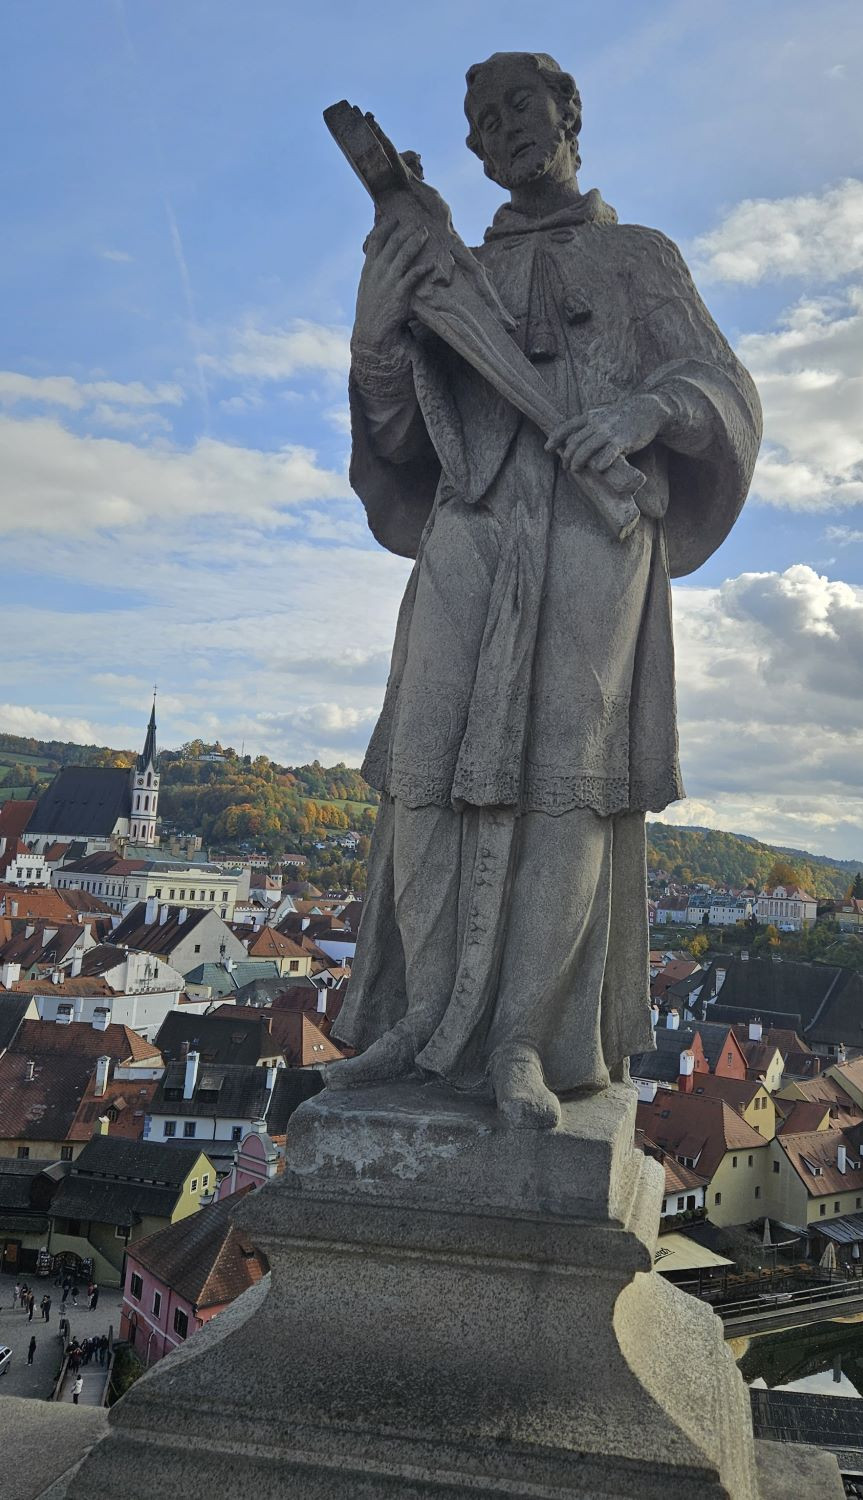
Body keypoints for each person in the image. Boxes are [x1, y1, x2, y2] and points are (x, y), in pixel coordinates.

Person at [331, 50, 760, 1127]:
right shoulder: (450, 274)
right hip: (470, 531)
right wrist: (375, 341)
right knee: (423, 776)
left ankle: (522, 1041)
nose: (503, 126)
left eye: (522, 103)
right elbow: (398, 440)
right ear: (469, 151)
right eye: (483, 117)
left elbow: (724, 389)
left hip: (591, 541)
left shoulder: (639, 259)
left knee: (564, 784)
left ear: (568, 114)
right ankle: (420, 1024)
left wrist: (643, 414)